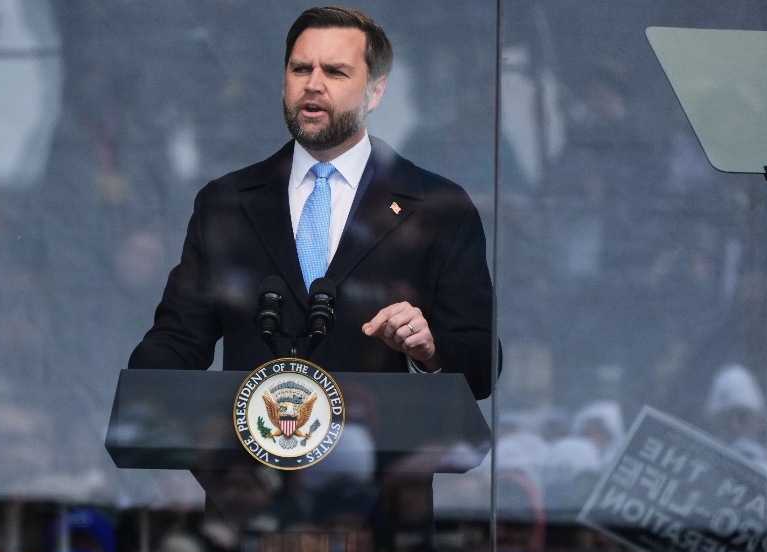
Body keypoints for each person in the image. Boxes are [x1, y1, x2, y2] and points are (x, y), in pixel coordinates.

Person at [129, 6, 497, 399]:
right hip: (252, 456)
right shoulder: (225, 204)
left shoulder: (437, 208)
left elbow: (482, 365)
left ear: (375, 91)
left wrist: (430, 348)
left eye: (335, 72)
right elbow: (179, 341)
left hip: (379, 452)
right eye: (300, 69)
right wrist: (139, 389)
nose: (313, 84)